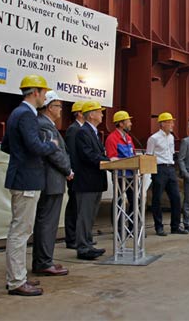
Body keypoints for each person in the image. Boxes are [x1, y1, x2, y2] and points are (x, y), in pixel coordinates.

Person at [1, 74, 58, 296]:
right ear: (35, 92)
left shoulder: (18, 113)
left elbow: (7, 145)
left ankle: (18, 276)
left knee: (20, 229)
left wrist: (21, 155)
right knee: (20, 231)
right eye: (44, 93)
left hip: (22, 176)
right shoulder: (26, 115)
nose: (45, 96)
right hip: (26, 179)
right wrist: (51, 144)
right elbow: (35, 146)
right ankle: (16, 281)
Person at [32, 91, 72, 276]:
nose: (60, 110)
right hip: (51, 180)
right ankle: (43, 262)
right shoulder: (44, 126)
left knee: (47, 221)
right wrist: (68, 170)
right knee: (47, 222)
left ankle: (44, 260)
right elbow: (54, 153)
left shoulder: (47, 125)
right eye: (58, 106)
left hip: (52, 180)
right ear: (49, 107)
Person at [73, 100, 109, 260]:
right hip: (87, 181)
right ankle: (83, 247)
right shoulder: (83, 132)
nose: (102, 114)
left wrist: (108, 159)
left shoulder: (92, 132)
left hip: (94, 181)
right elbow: (87, 154)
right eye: (99, 112)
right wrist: (105, 161)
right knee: (85, 215)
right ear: (92, 114)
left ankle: (88, 243)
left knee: (91, 215)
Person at [146, 112, 188, 236]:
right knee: (157, 199)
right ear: (162, 123)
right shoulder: (153, 138)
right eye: (170, 122)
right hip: (159, 169)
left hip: (170, 169)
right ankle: (158, 227)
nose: (172, 125)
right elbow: (149, 156)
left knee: (176, 197)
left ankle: (175, 226)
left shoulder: (171, 137)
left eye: (172, 122)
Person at [105, 110, 135, 233]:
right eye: (128, 121)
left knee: (135, 201)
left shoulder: (128, 138)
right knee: (119, 201)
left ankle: (133, 228)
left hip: (132, 175)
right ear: (121, 124)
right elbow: (112, 158)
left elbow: (133, 154)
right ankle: (118, 229)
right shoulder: (112, 138)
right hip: (120, 175)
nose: (131, 123)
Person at [63, 101, 84, 249]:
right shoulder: (73, 129)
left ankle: (78, 236)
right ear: (80, 113)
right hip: (75, 174)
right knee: (74, 205)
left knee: (79, 206)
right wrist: (71, 171)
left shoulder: (82, 129)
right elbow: (71, 152)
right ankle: (71, 239)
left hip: (81, 174)